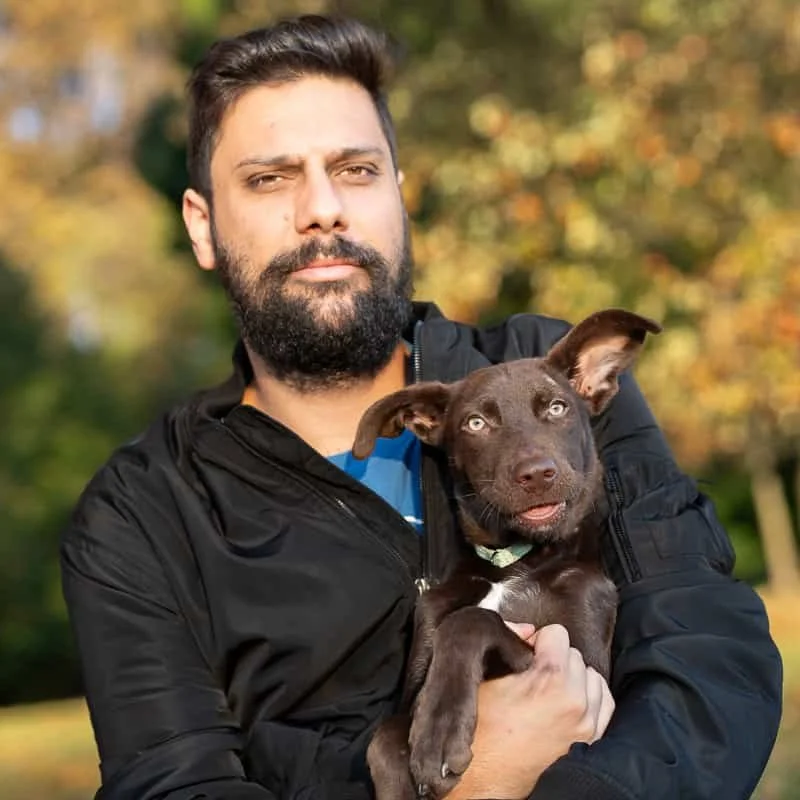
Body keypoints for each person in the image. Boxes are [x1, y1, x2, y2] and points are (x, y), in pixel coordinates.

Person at [60, 14, 782, 800]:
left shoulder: (544, 382)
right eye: (271, 178)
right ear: (202, 225)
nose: (323, 209)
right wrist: (475, 790)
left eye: (357, 170)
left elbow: (705, 650)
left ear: (399, 197)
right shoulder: (143, 514)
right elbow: (174, 784)